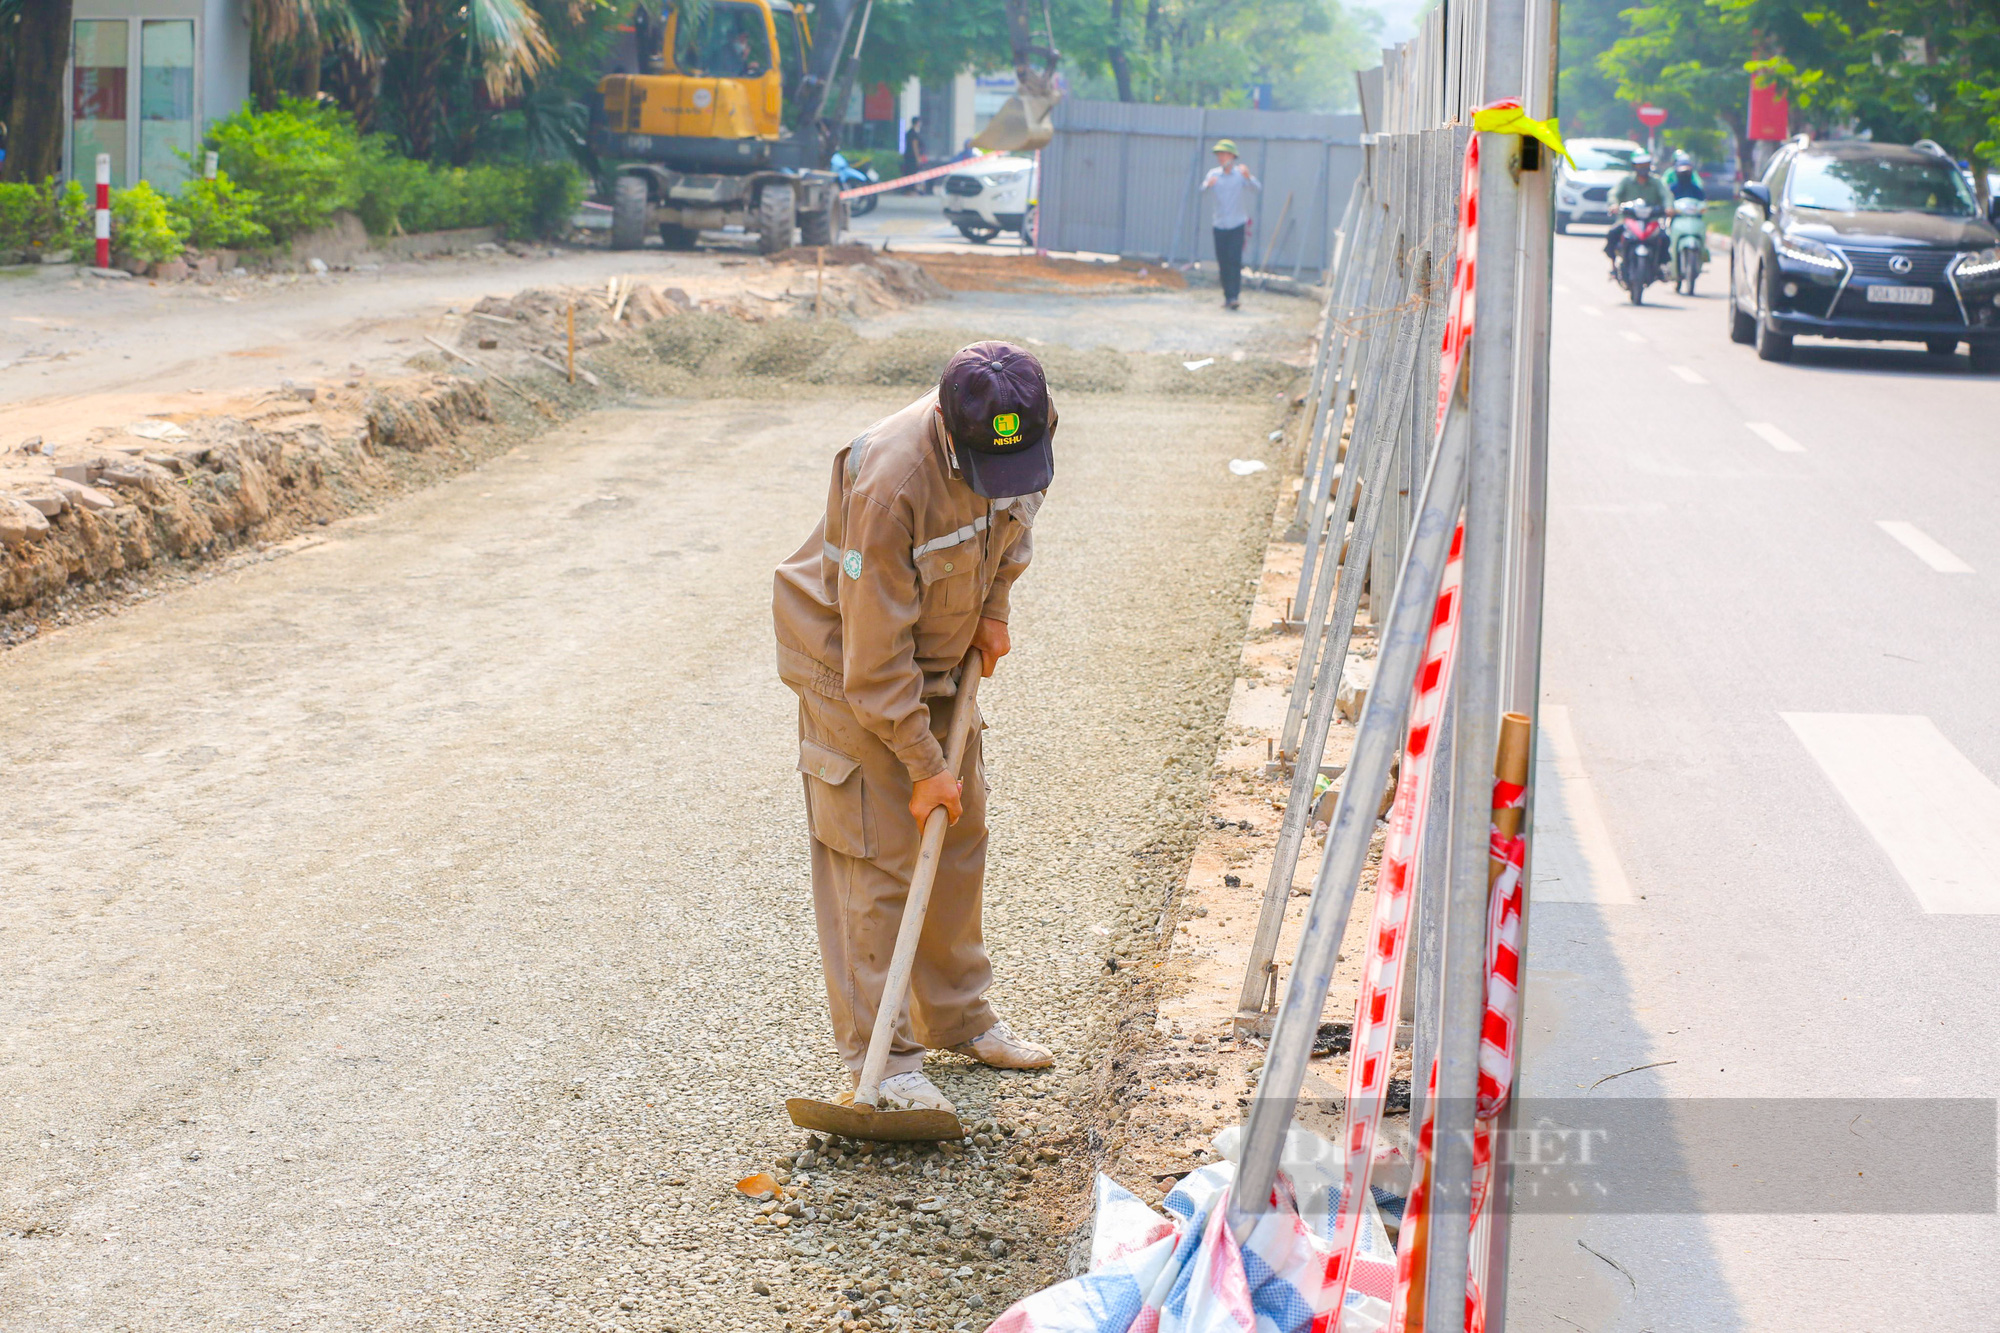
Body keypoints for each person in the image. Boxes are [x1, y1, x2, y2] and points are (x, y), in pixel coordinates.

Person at [773, 341, 1059, 1115]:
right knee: (881, 854)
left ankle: (959, 1016)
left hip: (939, 648)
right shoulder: (891, 484)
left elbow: (1015, 520)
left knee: (959, 833)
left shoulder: (1022, 435)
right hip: (852, 665)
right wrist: (923, 761)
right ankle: (886, 1062)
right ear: (947, 428)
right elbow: (873, 663)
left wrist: (994, 605)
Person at [1202, 139, 1261, 310]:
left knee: (1235, 260)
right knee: (1223, 261)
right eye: (1219, 155)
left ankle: (1234, 296)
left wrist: (1248, 177)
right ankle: (1227, 296)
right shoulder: (1213, 174)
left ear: (1232, 156)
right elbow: (1202, 190)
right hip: (1219, 224)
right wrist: (1208, 185)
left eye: (1224, 154)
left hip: (1237, 224)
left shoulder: (1239, 175)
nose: (1221, 158)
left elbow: (1257, 188)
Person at [1603, 154, 1671, 265]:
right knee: (1613, 233)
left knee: (1664, 238)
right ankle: (1614, 264)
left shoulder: (1656, 182)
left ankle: (1661, 266)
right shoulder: (1626, 181)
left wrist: (1668, 208)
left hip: (1651, 221)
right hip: (1628, 220)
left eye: (1646, 165)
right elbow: (1613, 193)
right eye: (1640, 166)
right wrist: (1614, 205)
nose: (1643, 169)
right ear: (1634, 167)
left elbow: (1666, 195)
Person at [901, 115, 927, 194]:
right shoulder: (913, 133)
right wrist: (917, 158)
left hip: (908, 156)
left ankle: (909, 190)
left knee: (909, 173)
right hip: (911, 157)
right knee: (911, 173)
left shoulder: (910, 132)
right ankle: (909, 190)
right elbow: (914, 146)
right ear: (917, 123)